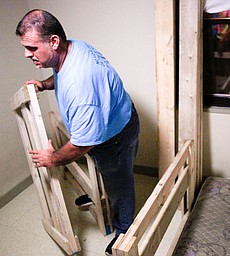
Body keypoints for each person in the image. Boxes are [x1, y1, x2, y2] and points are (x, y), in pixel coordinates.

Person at [15, 9, 140, 255]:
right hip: (114, 119)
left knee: (120, 185)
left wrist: (52, 159)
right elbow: (61, 75)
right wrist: (44, 84)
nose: (26, 54)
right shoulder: (73, 48)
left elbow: (82, 144)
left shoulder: (82, 86)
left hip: (115, 137)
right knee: (108, 174)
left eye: (31, 48)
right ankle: (102, 198)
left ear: (53, 41)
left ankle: (124, 229)